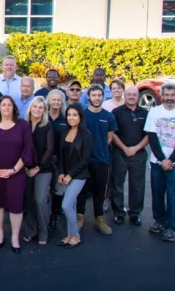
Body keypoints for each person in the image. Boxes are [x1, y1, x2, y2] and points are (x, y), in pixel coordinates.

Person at [0, 95, 35, 253]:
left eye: (9, 105)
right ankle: (0, 234)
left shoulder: (23, 125)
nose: (6, 108)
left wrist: (14, 170)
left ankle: (15, 237)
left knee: (16, 206)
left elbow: (28, 150)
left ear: (14, 108)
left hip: (16, 173)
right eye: (3, 105)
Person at [145, 82, 175, 243]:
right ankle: (159, 221)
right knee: (157, 192)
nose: (169, 98)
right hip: (157, 162)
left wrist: (171, 160)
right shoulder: (154, 112)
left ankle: (171, 227)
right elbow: (152, 137)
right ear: (162, 96)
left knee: (172, 195)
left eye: (172, 95)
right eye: (166, 95)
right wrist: (161, 159)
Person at [76, 84, 117, 235]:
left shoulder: (109, 116)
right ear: (88, 96)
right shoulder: (82, 115)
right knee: (81, 191)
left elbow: (109, 138)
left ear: (103, 96)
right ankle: (79, 218)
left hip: (101, 160)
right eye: (94, 95)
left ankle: (99, 220)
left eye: (99, 95)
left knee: (99, 191)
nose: (97, 98)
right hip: (84, 161)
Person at [110, 85, 149, 226]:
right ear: (124, 96)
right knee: (117, 184)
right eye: (129, 94)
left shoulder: (145, 113)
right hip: (119, 153)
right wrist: (125, 148)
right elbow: (112, 133)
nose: (131, 97)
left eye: (134, 94)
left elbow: (149, 135)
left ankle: (135, 213)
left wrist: (136, 148)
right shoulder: (116, 112)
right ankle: (119, 213)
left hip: (138, 154)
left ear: (138, 97)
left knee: (137, 185)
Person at [56, 103, 92, 249]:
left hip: (79, 175)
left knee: (66, 205)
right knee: (72, 205)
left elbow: (85, 160)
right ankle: (70, 235)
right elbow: (61, 156)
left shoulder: (86, 135)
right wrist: (61, 173)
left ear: (80, 117)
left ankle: (75, 235)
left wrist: (70, 175)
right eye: (69, 115)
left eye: (74, 115)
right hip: (66, 174)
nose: (71, 118)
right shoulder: (65, 132)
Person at [21, 97, 54, 245]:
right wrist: (26, 167)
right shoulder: (24, 124)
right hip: (26, 168)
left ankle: (44, 230)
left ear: (45, 110)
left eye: (41, 108)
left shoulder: (47, 126)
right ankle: (30, 230)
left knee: (40, 199)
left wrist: (37, 167)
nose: (37, 110)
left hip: (43, 168)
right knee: (29, 200)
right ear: (30, 108)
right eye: (35, 107)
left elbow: (50, 149)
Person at [46, 89, 68, 232]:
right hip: (45, 160)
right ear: (48, 100)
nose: (55, 102)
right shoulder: (43, 116)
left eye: (58, 100)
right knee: (43, 190)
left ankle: (54, 215)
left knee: (59, 189)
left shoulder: (65, 119)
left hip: (61, 160)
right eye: (53, 99)